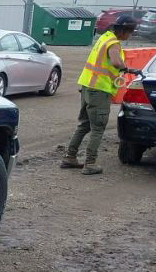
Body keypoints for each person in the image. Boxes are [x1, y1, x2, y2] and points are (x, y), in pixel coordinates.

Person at [61, 15, 142, 174]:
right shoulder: (113, 43)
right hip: (99, 89)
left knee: (84, 124)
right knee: (98, 127)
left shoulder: (105, 37)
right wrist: (127, 68)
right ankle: (90, 163)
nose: (130, 36)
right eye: (130, 32)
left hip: (87, 86)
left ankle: (70, 157)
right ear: (124, 30)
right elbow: (116, 62)